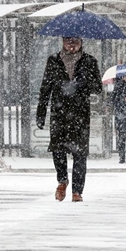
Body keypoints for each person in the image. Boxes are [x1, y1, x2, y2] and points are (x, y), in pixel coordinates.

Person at [36, 37, 101, 203]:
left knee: (80, 153)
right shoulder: (53, 61)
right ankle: (62, 180)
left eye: (75, 42)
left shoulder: (89, 61)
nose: (71, 45)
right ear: (63, 42)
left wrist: (82, 82)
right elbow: (45, 87)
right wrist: (41, 113)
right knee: (58, 149)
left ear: (81, 42)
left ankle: (77, 191)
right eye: (68, 41)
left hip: (80, 114)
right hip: (60, 113)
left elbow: (98, 88)